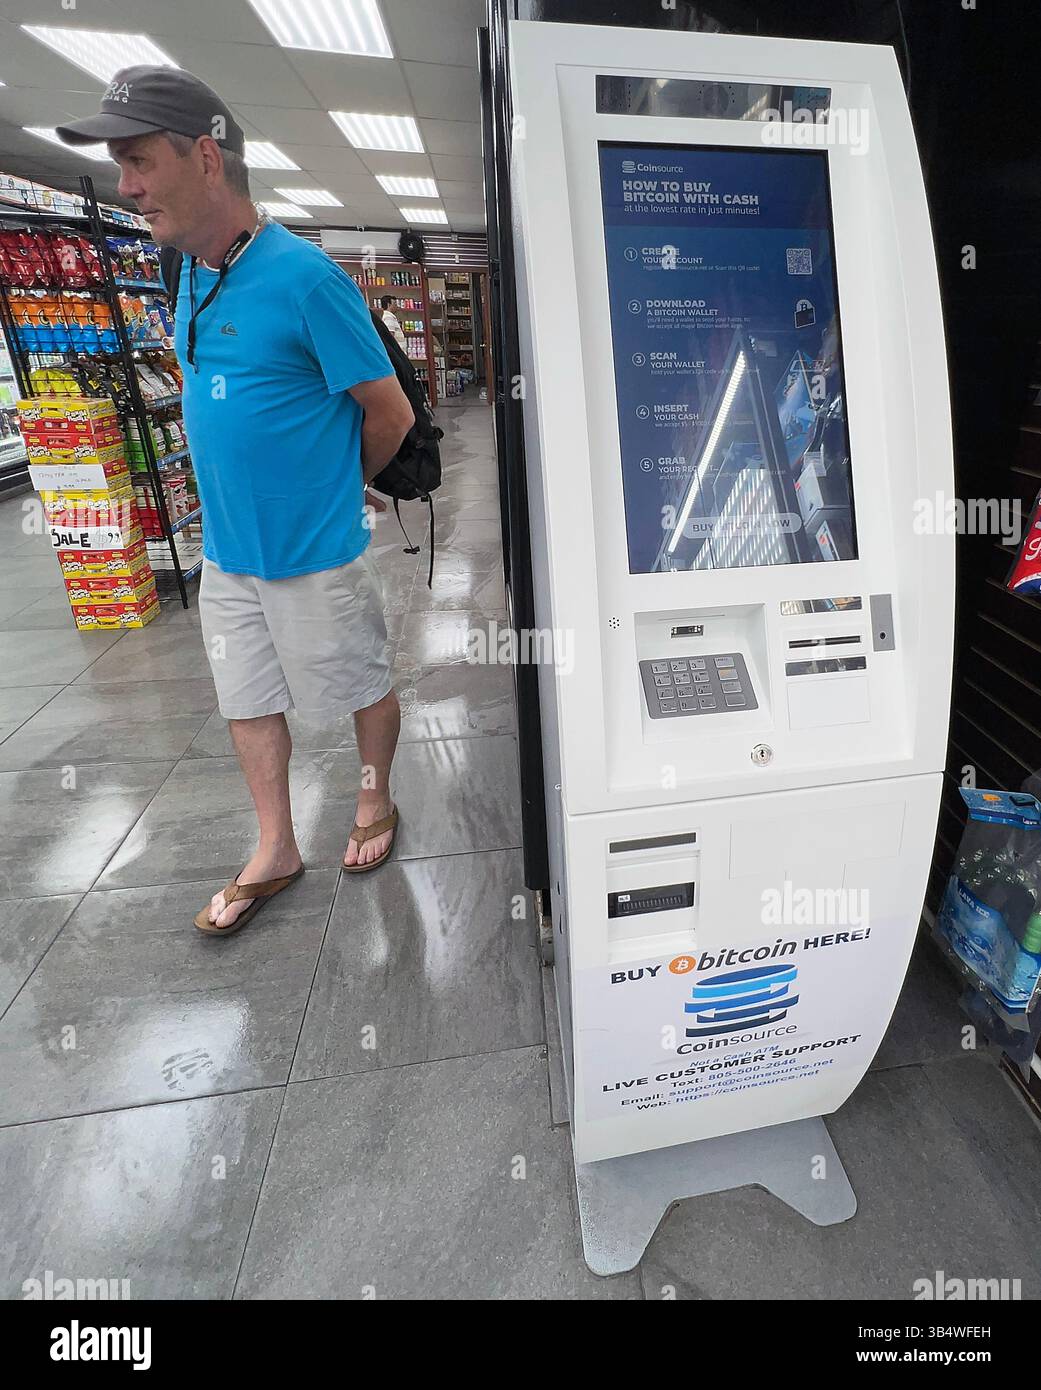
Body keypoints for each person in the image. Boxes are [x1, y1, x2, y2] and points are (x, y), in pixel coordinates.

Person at [57, 68, 414, 933]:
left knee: (359, 682)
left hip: (312, 548)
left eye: (139, 161)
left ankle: (375, 800)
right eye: (121, 165)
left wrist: (334, 486)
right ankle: (276, 845)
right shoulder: (182, 270)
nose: (127, 186)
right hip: (226, 552)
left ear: (205, 156)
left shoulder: (306, 279)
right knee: (246, 700)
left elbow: (389, 412)